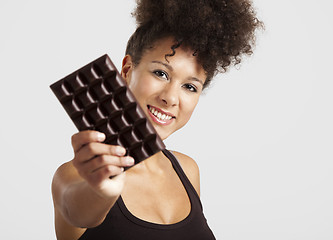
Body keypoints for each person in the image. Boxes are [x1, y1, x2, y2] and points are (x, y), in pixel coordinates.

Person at [51, 0, 262, 239]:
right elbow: (77, 212)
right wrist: (102, 191)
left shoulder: (187, 169)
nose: (171, 98)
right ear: (127, 70)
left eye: (190, 87)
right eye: (161, 73)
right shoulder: (74, 176)